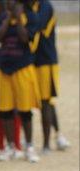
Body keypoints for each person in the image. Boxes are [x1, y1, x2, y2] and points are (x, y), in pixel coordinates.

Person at [0, 0, 41, 162]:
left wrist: (19, 19)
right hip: (4, 69)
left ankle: (29, 146)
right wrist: (8, 20)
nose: (9, 4)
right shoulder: (2, 17)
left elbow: (25, 38)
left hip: (23, 68)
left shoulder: (30, 16)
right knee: (5, 110)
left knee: (25, 110)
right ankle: (10, 146)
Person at [0, 0, 24, 161]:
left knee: (11, 109)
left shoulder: (8, 20)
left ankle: (16, 145)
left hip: (5, 68)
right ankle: (2, 146)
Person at [31, 0, 70, 152]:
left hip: (45, 61)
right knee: (34, 101)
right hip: (29, 61)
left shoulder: (45, 6)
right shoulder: (28, 6)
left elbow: (36, 25)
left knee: (46, 101)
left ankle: (48, 143)